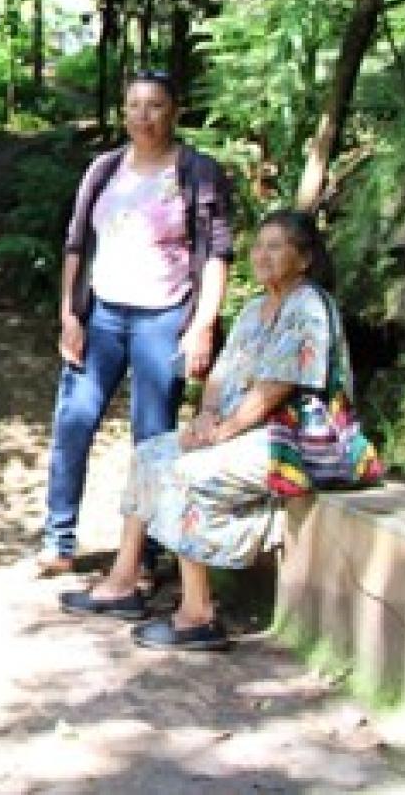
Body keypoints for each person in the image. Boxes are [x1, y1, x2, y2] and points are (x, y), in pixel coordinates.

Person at [59, 210, 356, 651]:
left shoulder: (309, 306)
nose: (262, 255)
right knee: (152, 453)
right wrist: (204, 416)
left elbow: (277, 388)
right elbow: (220, 375)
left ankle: (197, 616)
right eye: (258, 246)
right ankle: (123, 583)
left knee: (186, 472)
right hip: (247, 431)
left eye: (276, 247)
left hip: (298, 440)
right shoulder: (257, 308)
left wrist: (223, 432)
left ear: (305, 258)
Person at [38, 70, 235, 575]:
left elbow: (216, 254)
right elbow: (77, 246)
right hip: (101, 314)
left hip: (164, 316)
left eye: (155, 106)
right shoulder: (103, 171)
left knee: (152, 437)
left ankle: (143, 552)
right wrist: (69, 314)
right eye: (135, 106)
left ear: (174, 111)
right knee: (74, 420)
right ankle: (58, 539)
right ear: (123, 112)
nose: (143, 116)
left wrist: (202, 325)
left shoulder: (197, 172)